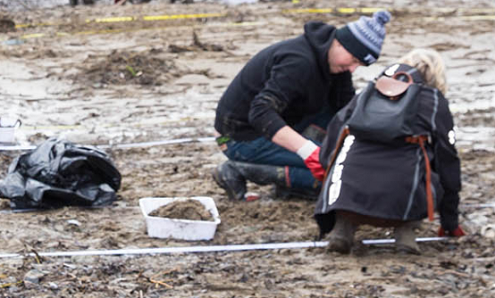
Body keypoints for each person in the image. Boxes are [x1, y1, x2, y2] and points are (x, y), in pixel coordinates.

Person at [212, 11, 392, 201]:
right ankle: (236, 170)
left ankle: (289, 184)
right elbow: (260, 112)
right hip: (239, 137)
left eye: (360, 65)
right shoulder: (299, 62)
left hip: (284, 121)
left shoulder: (335, 64)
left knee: (343, 151)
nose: (353, 69)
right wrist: (308, 151)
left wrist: (374, 142)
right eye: (354, 60)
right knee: (335, 179)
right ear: (340, 43)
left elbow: (345, 109)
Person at [314, 48, 465, 255]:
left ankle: (342, 229)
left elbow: (332, 138)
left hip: (345, 197)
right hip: (401, 200)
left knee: (350, 163)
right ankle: (405, 233)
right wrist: (450, 222)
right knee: (430, 169)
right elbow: (448, 160)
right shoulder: (434, 101)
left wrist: (327, 175)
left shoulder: (365, 95)